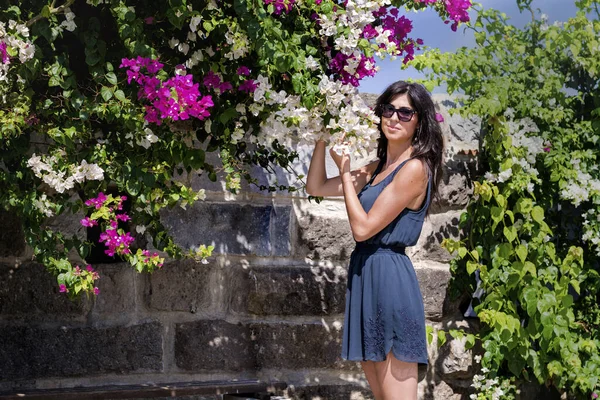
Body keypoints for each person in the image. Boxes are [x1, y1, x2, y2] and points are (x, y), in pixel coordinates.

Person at [305, 81, 444, 399]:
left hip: (390, 281)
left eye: (405, 112)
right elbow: (315, 186)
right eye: (388, 109)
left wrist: (344, 172)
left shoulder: (414, 169)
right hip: (365, 278)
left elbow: (363, 229)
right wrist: (322, 137)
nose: (394, 117)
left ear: (419, 121)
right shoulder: (377, 169)